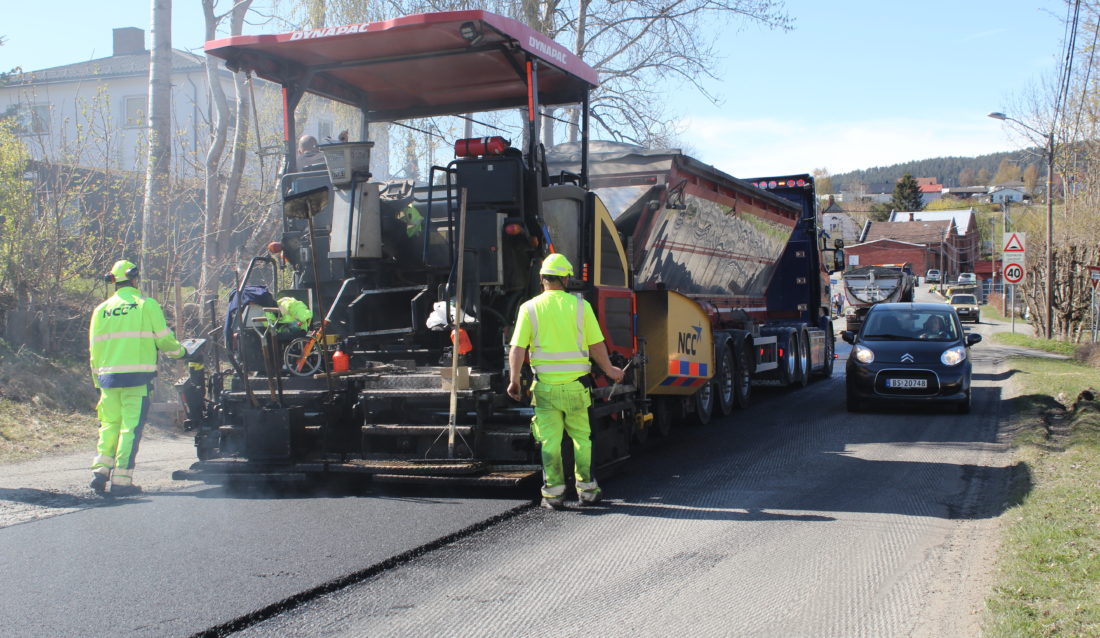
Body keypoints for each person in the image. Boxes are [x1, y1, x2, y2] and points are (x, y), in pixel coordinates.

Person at [507, 253, 625, 509]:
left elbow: (516, 348)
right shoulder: (582, 307)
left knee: (549, 441)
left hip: (545, 389)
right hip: (576, 388)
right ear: (566, 279)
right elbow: (596, 344)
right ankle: (588, 492)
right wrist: (610, 370)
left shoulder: (529, 308)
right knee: (582, 439)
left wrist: (514, 380)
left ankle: (553, 495)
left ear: (542, 278)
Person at [88, 260, 188, 496]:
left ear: (113, 281)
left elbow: (94, 351)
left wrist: (97, 382)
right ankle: (122, 481)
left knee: (110, 425)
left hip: (107, 379)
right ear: (134, 279)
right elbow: (164, 340)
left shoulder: (100, 310)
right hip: (136, 379)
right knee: (129, 429)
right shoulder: (145, 305)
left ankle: (100, 471)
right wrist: (182, 352)